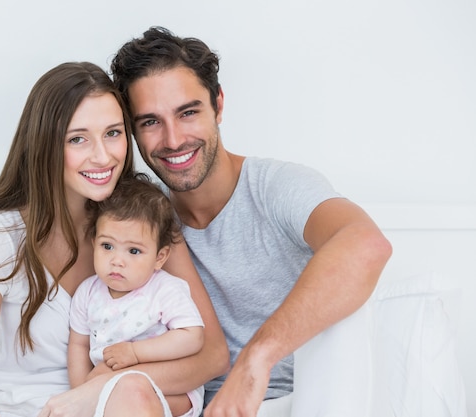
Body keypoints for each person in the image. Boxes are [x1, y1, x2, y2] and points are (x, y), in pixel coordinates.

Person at [110, 26, 393, 417]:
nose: (173, 140)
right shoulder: (142, 220)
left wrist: (256, 358)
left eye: (188, 112)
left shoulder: (276, 187)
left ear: (218, 106)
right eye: (151, 122)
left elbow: (366, 245)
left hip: (294, 401)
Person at [0, 61, 229, 417]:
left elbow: (212, 356)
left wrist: (99, 390)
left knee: (134, 398)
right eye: (78, 139)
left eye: (113, 133)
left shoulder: (142, 220)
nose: (103, 156)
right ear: (44, 145)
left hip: (131, 405)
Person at [69, 173, 205, 417]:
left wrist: (135, 353)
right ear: (94, 241)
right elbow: (78, 344)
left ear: (159, 258)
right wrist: (81, 392)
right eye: (107, 246)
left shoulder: (165, 290)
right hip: (110, 387)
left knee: (131, 397)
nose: (117, 261)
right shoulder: (88, 293)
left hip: (172, 392)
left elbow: (192, 337)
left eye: (133, 250)